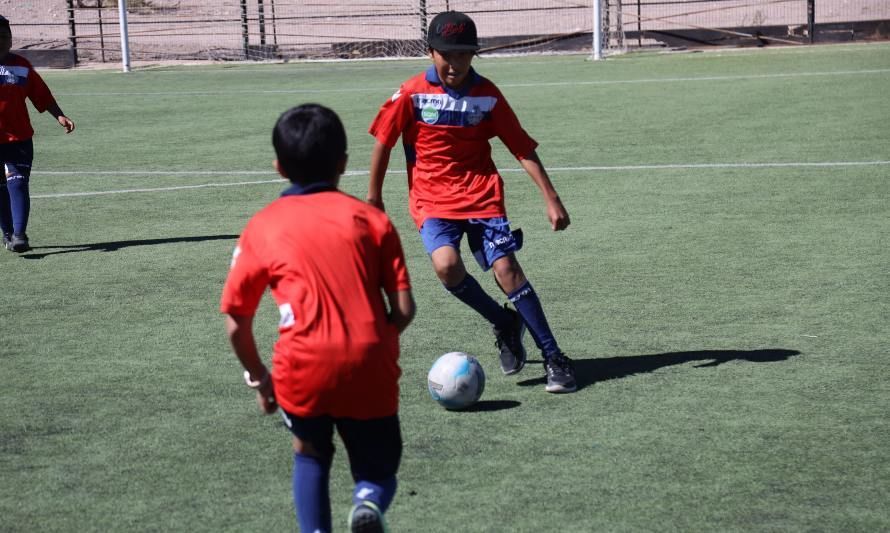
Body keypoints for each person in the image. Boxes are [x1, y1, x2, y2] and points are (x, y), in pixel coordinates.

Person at [221, 104, 415, 533]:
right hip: (369, 361)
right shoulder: (373, 221)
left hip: (302, 365)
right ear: (344, 163)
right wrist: (375, 341)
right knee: (378, 470)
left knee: (309, 451)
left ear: (277, 166)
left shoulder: (263, 226)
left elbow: (236, 319)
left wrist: (260, 377)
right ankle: (368, 501)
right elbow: (404, 309)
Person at [367, 10, 576, 393]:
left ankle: (554, 356)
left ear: (474, 55)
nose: (455, 63)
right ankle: (504, 321)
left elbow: (521, 147)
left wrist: (551, 197)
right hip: (432, 201)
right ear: (431, 52)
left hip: (482, 196)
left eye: (464, 54)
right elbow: (383, 140)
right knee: (446, 266)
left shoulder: (488, 95)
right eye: (447, 54)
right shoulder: (411, 94)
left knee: (507, 269)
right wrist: (374, 198)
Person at [0, 15, 75, 253]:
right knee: (1, 188)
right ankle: (9, 234)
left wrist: (59, 115)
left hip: (19, 138)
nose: (2, 40)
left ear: (11, 40)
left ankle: (20, 235)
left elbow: (40, 93)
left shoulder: (22, 66)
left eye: (5, 36)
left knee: (18, 182)